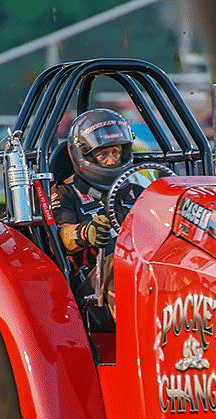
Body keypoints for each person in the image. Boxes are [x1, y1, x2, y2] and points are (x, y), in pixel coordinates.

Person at [51, 108, 145, 324]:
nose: (112, 161)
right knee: (119, 263)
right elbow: (61, 236)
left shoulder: (137, 193)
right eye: (103, 155)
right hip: (88, 292)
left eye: (116, 153)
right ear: (84, 155)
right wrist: (86, 232)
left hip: (139, 279)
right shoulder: (65, 193)